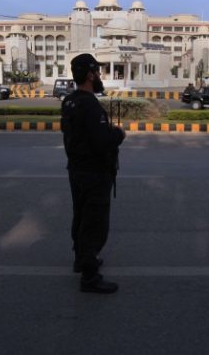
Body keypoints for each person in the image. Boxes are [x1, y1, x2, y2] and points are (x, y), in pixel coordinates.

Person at [61, 53, 125, 294]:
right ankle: (89, 276)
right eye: (97, 72)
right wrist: (118, 134)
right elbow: (101, 143)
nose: (99, 76)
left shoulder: (69, 101)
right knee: (94, 223)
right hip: (94, 173)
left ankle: (81, 259)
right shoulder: (89, 104)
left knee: (80, 216)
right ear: (89, 75)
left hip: (76, 170)